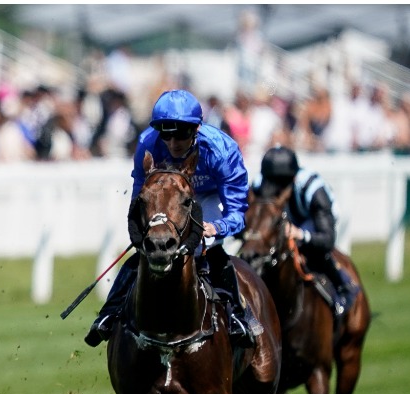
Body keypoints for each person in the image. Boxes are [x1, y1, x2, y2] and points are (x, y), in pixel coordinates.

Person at [85, 89, 253, 348]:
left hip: (207, 197)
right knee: (150, 249)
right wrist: (140, 233)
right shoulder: (147, 143)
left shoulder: (222, 150)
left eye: (182, 133)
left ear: (197, 128)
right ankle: (109, 313)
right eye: (166, 134)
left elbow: (238, 211)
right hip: (166, 197)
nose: (173, 143)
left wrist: (217, 226)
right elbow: (139, 197)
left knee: (205, 248)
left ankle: (236, 317)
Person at [251, 145, 356, 315]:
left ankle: (344, 286)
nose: (273, 192)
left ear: (292, 179)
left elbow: (327, 239)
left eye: (279, 185)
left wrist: (300, 234)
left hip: (311, 220)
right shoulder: (259, 185)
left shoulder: (313, 189)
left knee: (312, 252)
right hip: (287, 218)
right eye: (270, 183)